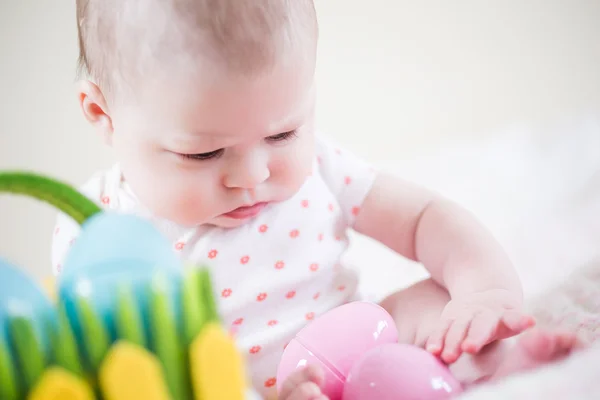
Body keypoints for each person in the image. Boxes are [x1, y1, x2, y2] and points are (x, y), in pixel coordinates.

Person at [52, 1, 574, 398]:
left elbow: (423, 218)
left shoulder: (322, 168)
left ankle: (492, 363)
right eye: (204, 153)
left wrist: (481, 291)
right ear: (103, 116)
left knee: (437, 303)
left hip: (360, 344)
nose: (254, 174)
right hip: (236, 387)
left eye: (282, 135)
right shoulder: (97, 228)